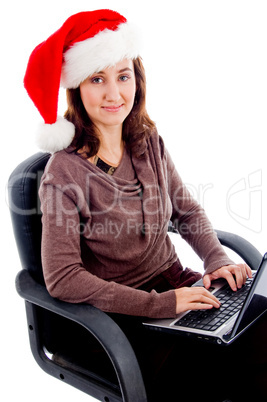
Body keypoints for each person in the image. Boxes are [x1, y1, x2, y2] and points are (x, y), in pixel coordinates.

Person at [24, 10, 266, 402]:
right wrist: (159, 305)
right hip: (118, 322)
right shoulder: (63, 174)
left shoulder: (146, 141)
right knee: (224, 373)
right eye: (97, 79)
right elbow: (63, 277)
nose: (114, 94)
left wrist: (216, 260)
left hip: (178, 291)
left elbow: (184, 210)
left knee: (256, 332)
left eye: (123, 76)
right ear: (76, 89)